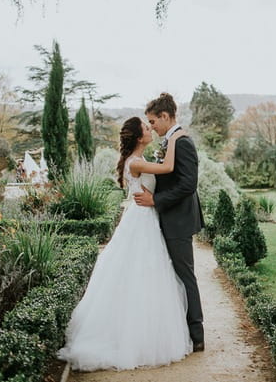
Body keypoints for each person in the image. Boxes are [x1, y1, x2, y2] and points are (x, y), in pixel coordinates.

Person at [58, 116, 192, 371]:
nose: (149, 128)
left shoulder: (137, 160)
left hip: (143, 216)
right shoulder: (136, 162)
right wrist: (174, 139)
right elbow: (169, 168)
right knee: (143, 271)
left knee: (143, 271)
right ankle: (136, 336)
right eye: (145, 127)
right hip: (142, 219)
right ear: (138, 137)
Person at [133, 92, 205, 352]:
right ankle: (181, 330)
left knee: (185, 276)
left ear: (165, 116)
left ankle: (197, 335)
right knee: (174, 275)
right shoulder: (171, 140)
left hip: (178, 220)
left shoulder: (182, 141)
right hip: (169, 217)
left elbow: (188, 184)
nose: (151, 126)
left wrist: (156, 200)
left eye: (153, 121)